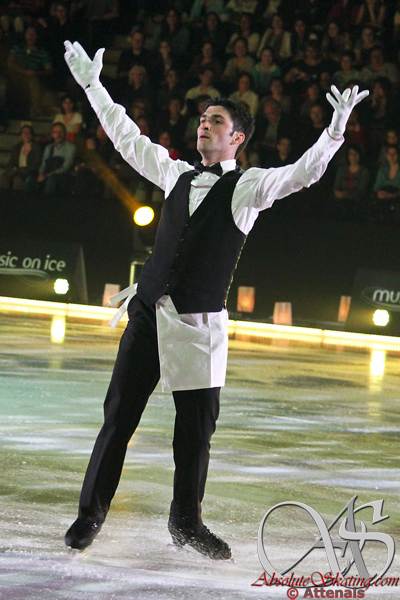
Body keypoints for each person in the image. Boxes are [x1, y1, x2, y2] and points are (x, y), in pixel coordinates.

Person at [63, 40, 368, 559]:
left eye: (216, 121)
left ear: (237, 138)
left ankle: (187, 522)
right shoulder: (177, 174)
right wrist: (93, 85)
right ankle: (90, 514)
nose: (204, 125)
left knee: (194, 435)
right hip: (149, 314)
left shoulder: (248, 187)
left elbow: (303, 174)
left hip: (199, 326)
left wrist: (334, 133)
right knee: (118, 419)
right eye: (203, 119)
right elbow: (126, 137)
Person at [0, 125, 43, 193]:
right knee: (4, 177)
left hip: (29, 171)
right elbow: (11, 161)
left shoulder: (37, 147)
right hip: (17, 170)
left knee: (18, 180)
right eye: (24, 133)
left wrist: (22, 170)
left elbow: (37, 163)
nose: (26, 135)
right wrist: (13, 167)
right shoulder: (17, 147)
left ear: (32, 135)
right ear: (21, 135)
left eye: (29, 133)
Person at [37, 121, 76, 196]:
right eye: (55, 132)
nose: (58, 135)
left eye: (60, 132)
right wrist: (41, 173)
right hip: (50, 174)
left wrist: (48, 175)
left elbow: (66, 167)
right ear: (52, 134)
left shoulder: (71, 147)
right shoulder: (49, 148)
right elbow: (44, 163)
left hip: (65, 175)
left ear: (65, 133)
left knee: (52, 180)